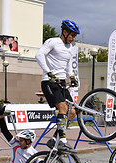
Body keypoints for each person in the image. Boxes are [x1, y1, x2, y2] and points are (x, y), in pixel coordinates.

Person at [35, 19, 80, 153]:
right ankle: (63, 141)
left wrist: (71, 77)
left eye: (74, 36)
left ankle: (55, 139)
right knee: (63, 108)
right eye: (71, 35)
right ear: (64, 32)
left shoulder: (70, 48)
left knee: (72, 112)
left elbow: (68, 65)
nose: (73, 38)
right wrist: (48, 72)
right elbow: (39, 55)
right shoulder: (53, 42)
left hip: (61, 82)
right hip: (49, 82)